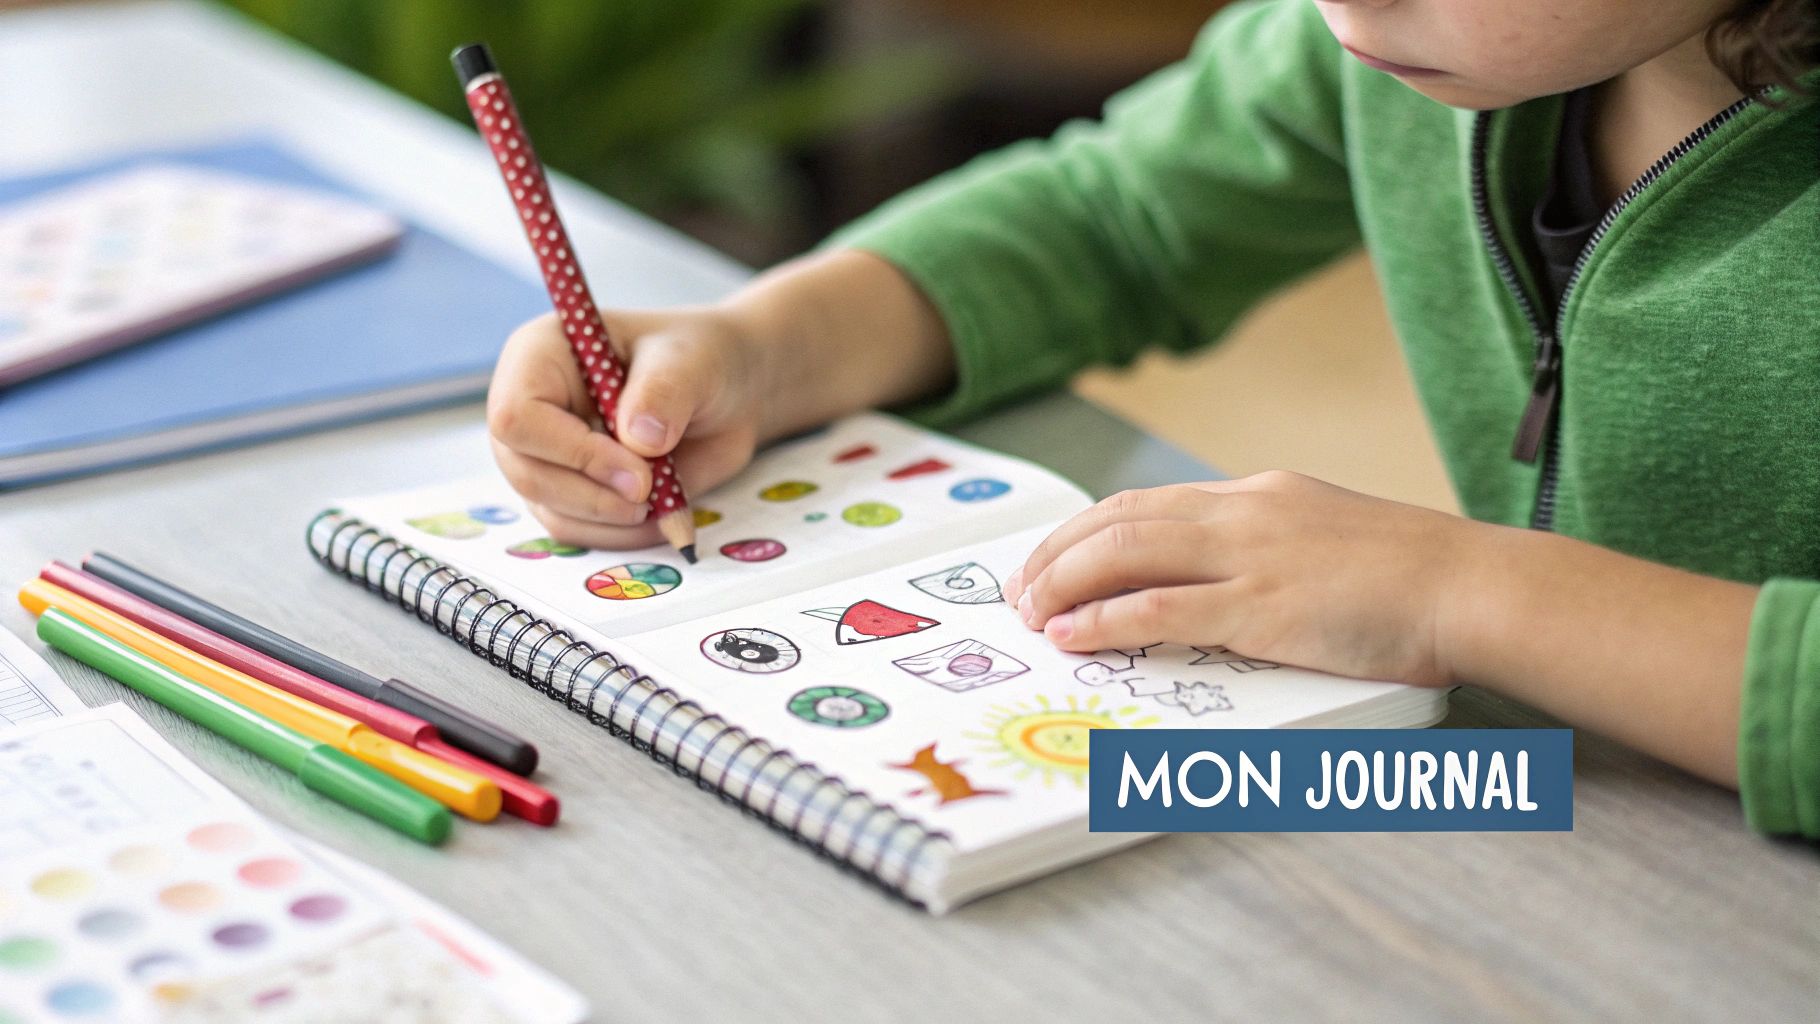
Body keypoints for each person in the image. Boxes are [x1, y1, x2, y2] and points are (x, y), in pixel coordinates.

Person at [482, 0, 1820, 836]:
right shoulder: (1381, 44)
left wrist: (1465, 595)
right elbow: (1118, 216)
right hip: (1567, 806)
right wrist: (770, 342)